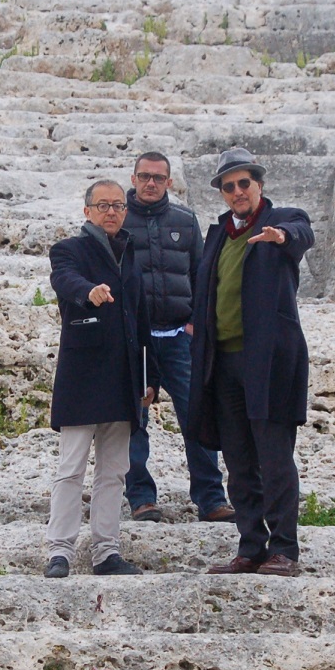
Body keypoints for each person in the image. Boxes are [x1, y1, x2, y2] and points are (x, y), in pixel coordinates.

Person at [188, 147, 314, 578]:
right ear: (222, 193)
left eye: (245, 182)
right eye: (229, 186)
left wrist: (280, 237)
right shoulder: (218, 233)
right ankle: (250, 547)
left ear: (259, 184)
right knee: (239, 462)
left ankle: (284, 550)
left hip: (269, 365)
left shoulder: (283, 220)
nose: (238, 191)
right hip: (222, 363)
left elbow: (301, 233)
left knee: (275, 459)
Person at [43, 179, 150, 578]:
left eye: (118, 205)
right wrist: (89, 292)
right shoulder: (69, 249)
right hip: (83, 377)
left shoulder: (130, 254)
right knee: (70, 468)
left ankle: (107, 553)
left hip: (123, 379)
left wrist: (149, 376)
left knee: (114, 471)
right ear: (86, 210)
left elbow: (142, 320)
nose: (111, 212)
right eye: (103, 205)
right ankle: (60, 552)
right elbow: (64, 280)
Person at [122, 151, 234, 525]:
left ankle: (211, 499)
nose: (150, 183)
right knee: (134, 424)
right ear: (134, 178)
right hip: (135, 343)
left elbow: (202, 276)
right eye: (144, 176)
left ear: (169, 182)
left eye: (158, 177)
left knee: (198, 418)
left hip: (179, 339)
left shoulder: (185, 221)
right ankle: (141, 499)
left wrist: (195, 325)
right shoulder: (117, 219)